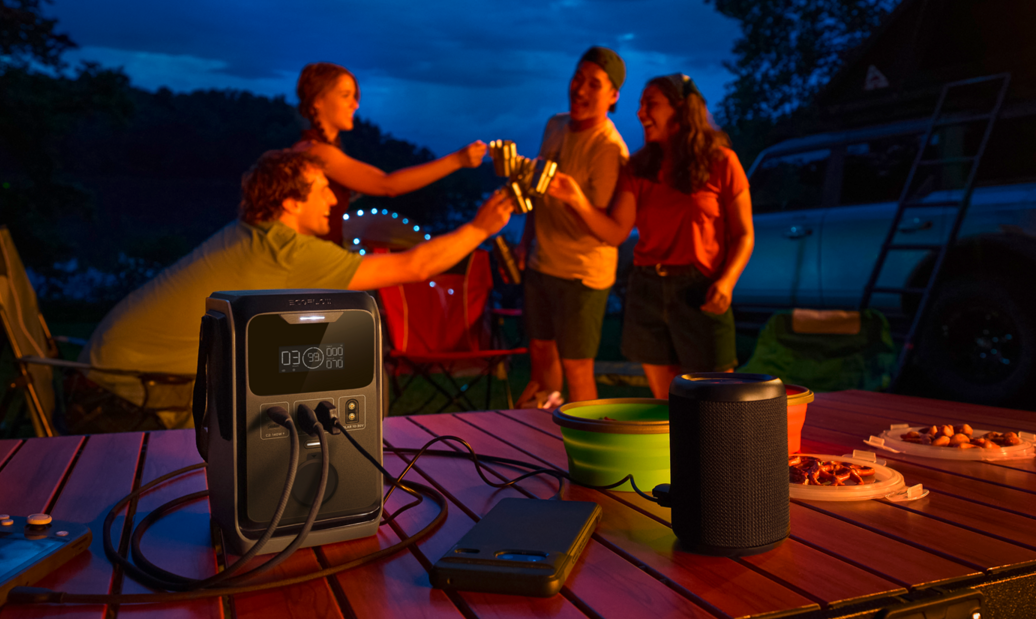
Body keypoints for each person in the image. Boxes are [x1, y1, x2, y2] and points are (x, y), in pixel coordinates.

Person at [73, 148, 515, 430]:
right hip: (124, 403)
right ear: (291, 202)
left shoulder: (255, 234)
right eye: (323, 190)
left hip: (106, 382)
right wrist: (481, 226)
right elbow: (417, 266)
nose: (332, 200)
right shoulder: (287, 250)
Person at [545, 74, 754, 400]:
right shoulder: (639, 167)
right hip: (648, 290)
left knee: (717, 403)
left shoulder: (722, 162)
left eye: (651, 104)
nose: (641, 113)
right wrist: (576, 199)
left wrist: (727, 282)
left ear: (682, 109)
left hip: (700, 291)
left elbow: (743, 234)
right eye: (641, 105)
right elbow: (615, 232)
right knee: (666, 405)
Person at [514, 46, 631, 409]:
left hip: (583, 272)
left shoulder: (609, 149)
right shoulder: (555, 125)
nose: (580, 90)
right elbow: (538, 189)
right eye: (577, 79)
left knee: (578, 369)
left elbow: (609, 229)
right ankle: (544, 435)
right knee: (540, 354)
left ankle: (586, 447)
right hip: (541, 261)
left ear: (612, 96)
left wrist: (576, 198)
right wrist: (525, 240)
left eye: (593, 84)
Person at [293, 62, 487, 244]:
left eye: (355, 97)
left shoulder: (317, 148)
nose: (355, 104)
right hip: (317, 270)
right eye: (345, 95)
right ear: (318, 100)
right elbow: (388, 185)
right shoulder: (317, 152)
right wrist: (458, 160)